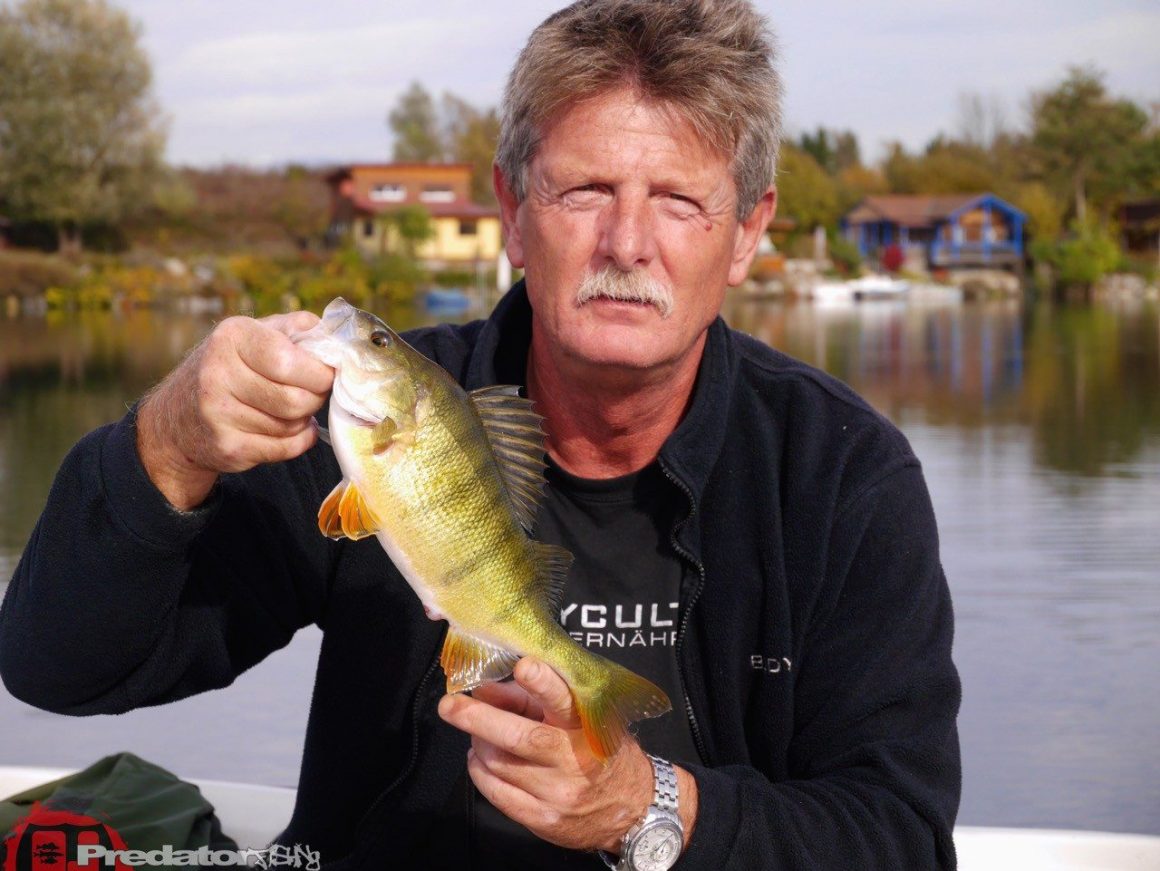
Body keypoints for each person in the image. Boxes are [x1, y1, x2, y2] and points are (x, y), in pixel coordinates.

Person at [0, 0, 961, 868]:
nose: (627, 244)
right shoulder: (378, 419)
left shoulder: (841, 474)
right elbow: (60, 666)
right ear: (511, 207)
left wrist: (646, 804)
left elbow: (901, 837)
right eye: (584, 190)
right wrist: (166, 446)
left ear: (748, 233)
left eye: (678, 200)